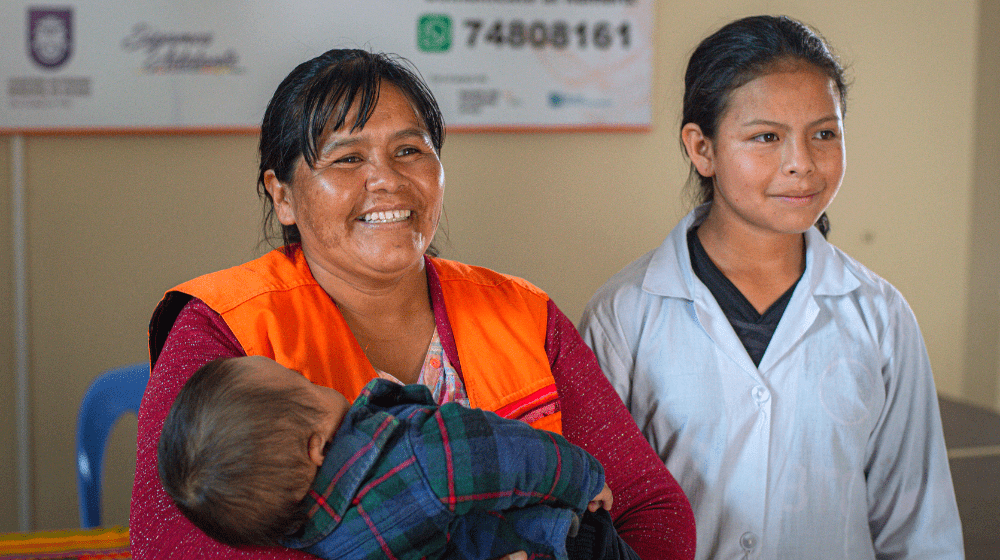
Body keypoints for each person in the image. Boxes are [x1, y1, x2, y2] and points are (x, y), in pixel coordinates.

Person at [130, 48, 695, 560]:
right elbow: (181, 546)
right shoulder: (219, 326)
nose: (388, 180)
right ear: (282, 196)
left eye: (409, 150)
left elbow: (654, 514)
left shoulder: (523, 315)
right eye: (347, 158)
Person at [579, 15, 964, 560]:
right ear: (702, 148)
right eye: (766, 137)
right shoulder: (624, 313)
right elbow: (598, 515)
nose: (801, 164)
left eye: (824, 134)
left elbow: (918, 526)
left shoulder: (879, 314)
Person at [158, 355, 627, 560]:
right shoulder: (418, 458)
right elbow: (510, 454)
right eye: (299, 379)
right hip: (568, 543)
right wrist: (585, 478)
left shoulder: (313, 535)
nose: (311, 377)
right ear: (315, 447)